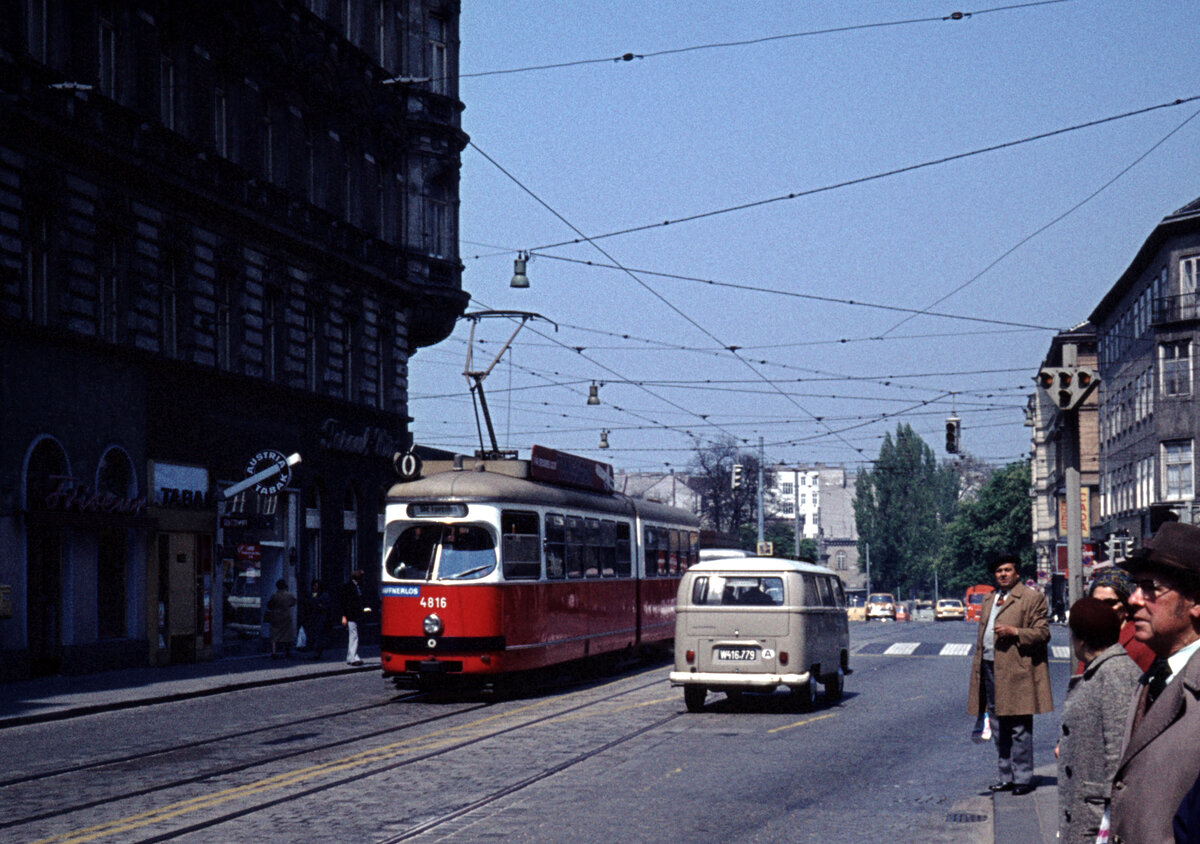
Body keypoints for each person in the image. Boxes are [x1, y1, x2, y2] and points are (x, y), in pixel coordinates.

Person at [1108, 522, 1200, 844]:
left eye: (1151, 588)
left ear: (1196, 602)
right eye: (1137, 586)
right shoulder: (1154, 675)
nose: (1133, 599)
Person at [1056, 597, 1142, 844]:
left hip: (1097, 815)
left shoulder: (1115, 674)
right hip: (1088, 806)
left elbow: (1120, 751)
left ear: (1081, 640)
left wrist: (1110, 815)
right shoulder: (1103, 669)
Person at [967, 555, 1053, 796]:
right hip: (989, 667)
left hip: (1017, 672)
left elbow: (1042, 633)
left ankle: (1023, 778)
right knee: (996, 724)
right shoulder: (989, 599)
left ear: (1016, 573)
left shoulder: (1031, 598)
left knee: (1018, 726)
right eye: (998, 571)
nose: (1003, 574)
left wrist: (1015, 631)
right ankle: (1006, 776)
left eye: (1007, 570)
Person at [1088, 567, 1156, 673]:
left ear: (1126, 608)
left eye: (1109, 603)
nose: (1100, 608)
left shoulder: (1141, 644)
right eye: (1095, 602)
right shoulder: (1090, 638)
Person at [340, 569, 369, 666]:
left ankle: (351, 656)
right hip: (351, 615)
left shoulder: (358, 587)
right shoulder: (349, 587)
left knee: (354, 636)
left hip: (357, 615)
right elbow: (345, 603)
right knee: (354, 636)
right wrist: (344, 616)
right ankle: (353, 657)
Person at [301, 579, 332, 660]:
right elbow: (306, 604)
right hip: (312, 617)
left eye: (316, 585)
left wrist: (322, 607)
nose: (315, 587)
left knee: (320, 635)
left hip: (321, 617)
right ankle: (314, 649)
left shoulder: (324, 595)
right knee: (313, 634)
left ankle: (318, 652)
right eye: (314, 585)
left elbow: (329, 606)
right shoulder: (310, 594)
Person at [266, 579, 297, 659]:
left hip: (275, 616)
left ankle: (274, 652)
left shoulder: (274, 595)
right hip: (286, 616)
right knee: (287, 634)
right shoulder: (289, 595)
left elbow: (270, 605)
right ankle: (287, 651)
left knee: (274, 634)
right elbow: (293, 602)